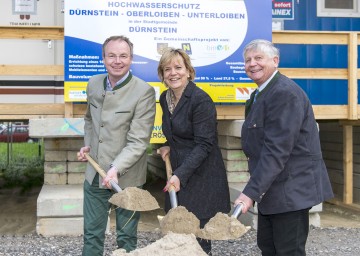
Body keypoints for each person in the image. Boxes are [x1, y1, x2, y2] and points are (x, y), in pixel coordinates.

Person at [234, 39, 334, 255]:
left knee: (288, 251)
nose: (252, 64)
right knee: (269, 247)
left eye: (259, 58)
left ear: (275, 61)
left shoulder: (284, 94)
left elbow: (276, 150)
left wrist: (249, 193)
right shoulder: (259, 95)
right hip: (273, 190)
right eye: (248, 60)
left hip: (291, 191)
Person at [77, 35, 156, 255]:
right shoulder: (93, 83)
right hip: (95, 175)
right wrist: (88, 146)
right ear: (103, 58)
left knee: (127, 237)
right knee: (92, 234)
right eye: (111, 55)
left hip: (127, 178)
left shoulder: (144, 92)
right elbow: (90, 120)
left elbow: (138, 140)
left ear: (131, 59)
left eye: (123, 56)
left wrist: (115, 168)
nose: (117, 61)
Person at [157, 48, 231, 255]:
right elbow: (178, 133)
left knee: (197, 238)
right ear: (162, 75)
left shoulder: (201, 100)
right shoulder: (165, 98)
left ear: (189, 71)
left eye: (178, 67)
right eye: (167, 69)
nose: (173, 73)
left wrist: (180, 175)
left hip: (201, 177)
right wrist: (167, 144)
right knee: (178, 233)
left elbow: (204, 144)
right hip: (180, 172)